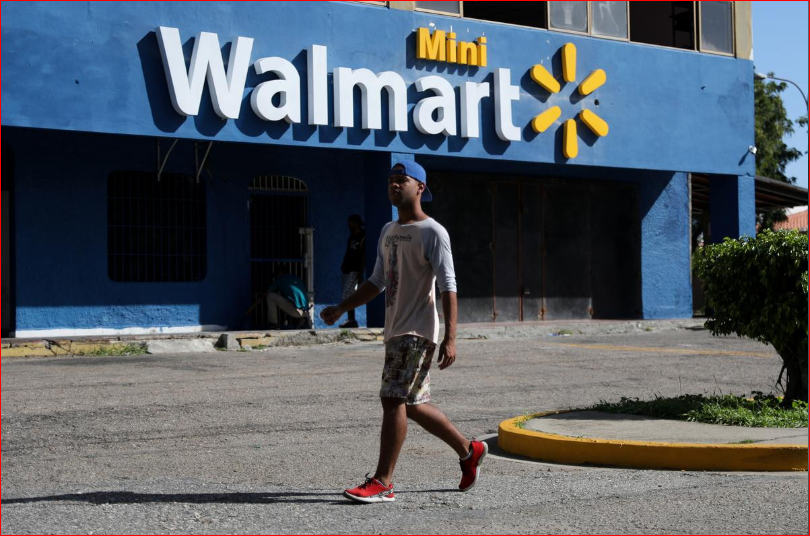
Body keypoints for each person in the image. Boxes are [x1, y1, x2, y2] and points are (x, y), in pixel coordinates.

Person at [321, 161, 487, 504]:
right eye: (391, 181)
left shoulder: (433, 232)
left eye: (402, 180)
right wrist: (342, 308)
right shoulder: (387, 230)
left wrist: (451, 337)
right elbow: (377, 282)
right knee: (411, 403)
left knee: (392, 398)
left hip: (418, 329)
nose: (394, 186)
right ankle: (469, 451)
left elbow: (448, 285)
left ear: (420, 187)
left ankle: (383, 482)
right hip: (395, 330)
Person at [245, 273, 310, 330]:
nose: (274, 277)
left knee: (270, 296)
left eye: (275, 274)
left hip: (296, 311)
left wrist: (250, 309)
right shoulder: (296, 278)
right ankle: (302, 318)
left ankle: (274, 324)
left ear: (279, 272)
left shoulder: (280, 280)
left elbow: (263, 296)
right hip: (307, 311)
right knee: (292, 301)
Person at [338, 214, 366, 328]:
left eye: (351, 222)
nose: (349, 225)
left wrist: (360, 273)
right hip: (347, 268)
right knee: (347, 294)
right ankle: (351, 320)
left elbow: (364, 255)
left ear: (356, 223)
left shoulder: (363, 236)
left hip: (355, 269)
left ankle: (351, 320)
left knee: (347, 294)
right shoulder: (352, 236)